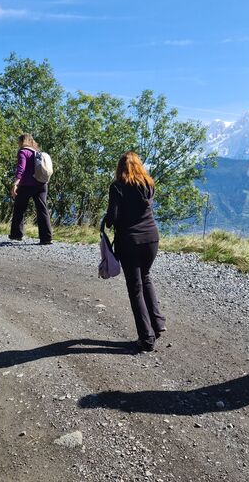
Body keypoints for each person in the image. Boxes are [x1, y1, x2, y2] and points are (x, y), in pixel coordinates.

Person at [103, 151, 166, 352]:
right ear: (139, 166)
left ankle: (146, 338)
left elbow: (112, 217)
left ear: (120, 167)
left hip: (129, 241)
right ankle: (157, 323)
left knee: (135, 288)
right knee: (146, 277)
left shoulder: (117, 187)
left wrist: (108, 219)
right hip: (151, 239)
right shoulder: (148, 184)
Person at [9, 133, 53, 245]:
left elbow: (21, 168)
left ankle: (16, 234)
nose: (18, 143)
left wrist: (16, 183)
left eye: (18, 141)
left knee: (19, 209)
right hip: (42, 184)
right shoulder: (37, 152)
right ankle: (46, 238)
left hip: (26, 185)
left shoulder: (23, 152)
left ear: (22, 141)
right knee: (42, 209)